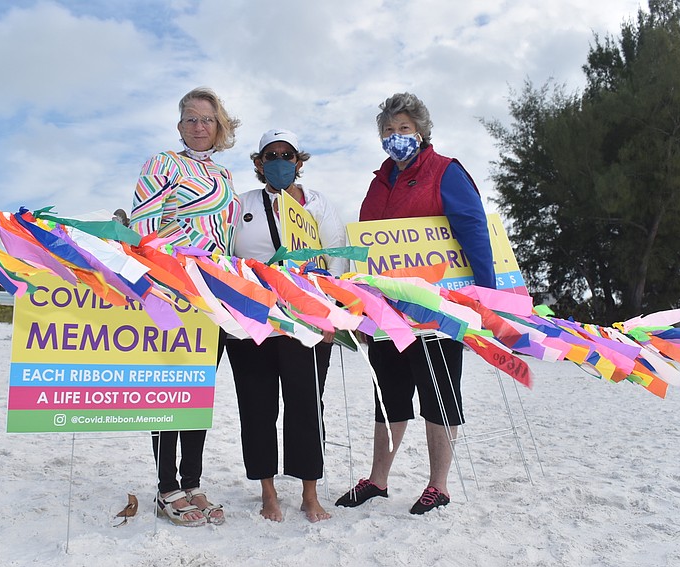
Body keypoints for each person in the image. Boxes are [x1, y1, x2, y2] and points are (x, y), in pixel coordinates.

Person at [335, 92, 496, 515]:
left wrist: (485, 297)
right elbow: (365, 249)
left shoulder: (446, 172)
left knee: (438, 393)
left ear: (421, 131)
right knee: (388, 396)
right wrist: (362, 306)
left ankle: (437, 485)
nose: (395, 136)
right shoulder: (378, 181)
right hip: (389, 312)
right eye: (388, 130)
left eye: (403, 128)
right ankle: (378, 480)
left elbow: (474, 233)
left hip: (437, 309)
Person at [129, 86, 241, 527]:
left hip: (212, 297)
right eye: (191, 119)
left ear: (220, 127)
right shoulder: (162, 164)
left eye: (207, 119)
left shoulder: (227, 176)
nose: (199, 126)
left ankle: (192, 482)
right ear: (179, 126)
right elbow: (144, 228)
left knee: (197, 390)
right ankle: (165, 487)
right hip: (170, 293)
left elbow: (228, 240)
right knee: (167, 386)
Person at [225, 129, 348, 523]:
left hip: (306, 320)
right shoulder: (239, 204)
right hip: (252, 322)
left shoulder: (319, 205)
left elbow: (337, 261)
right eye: (271, 155)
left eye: (287, 154)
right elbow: (225, 257)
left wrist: (330, 311)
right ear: (259, 163)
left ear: (299, 160)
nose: (280, 160)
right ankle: (268, 493)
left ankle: (310, 494)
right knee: (257, 406)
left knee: (307, 406)